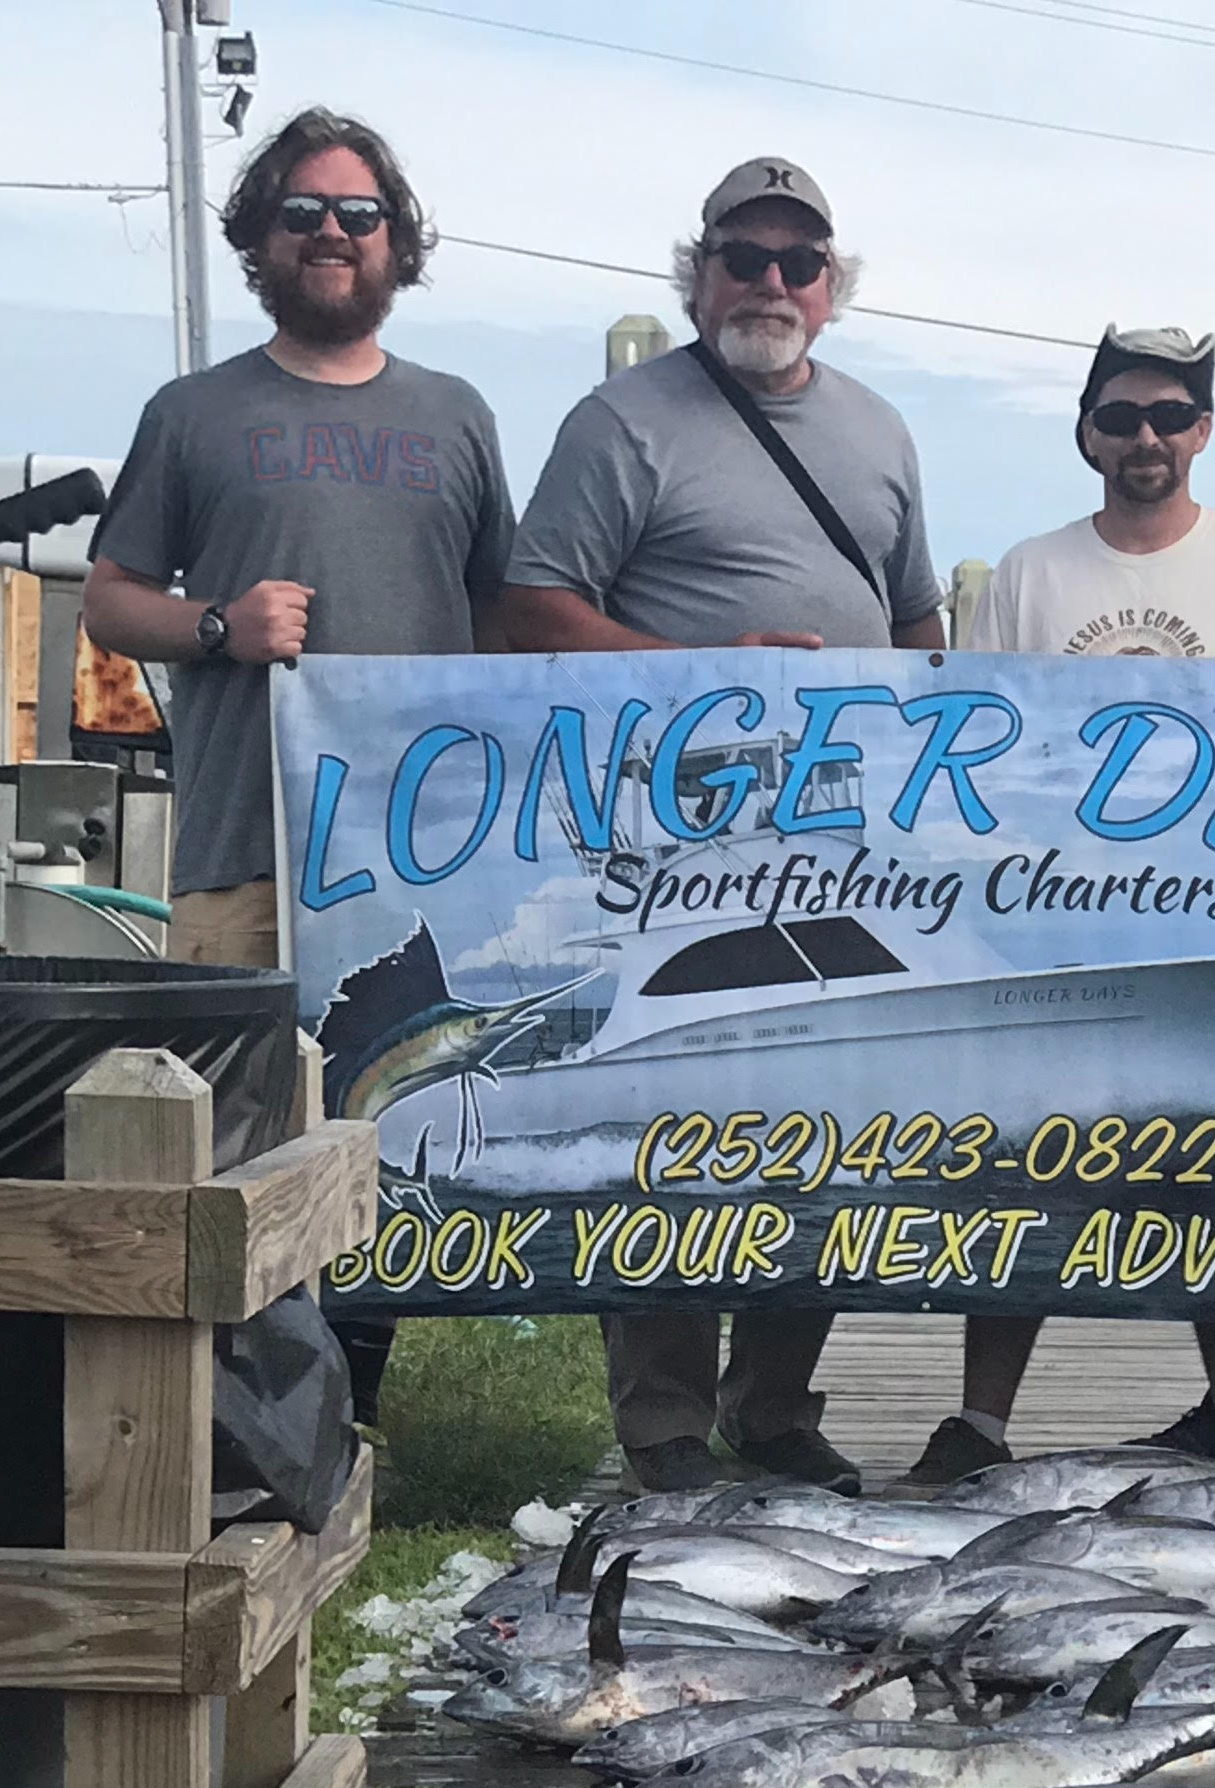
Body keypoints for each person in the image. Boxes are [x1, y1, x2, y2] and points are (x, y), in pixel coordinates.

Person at [505, 157, 944, 1497]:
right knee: (666, 1114)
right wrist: (700, 668)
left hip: (842, 844)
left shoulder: (880, 431)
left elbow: (920, 624)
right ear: (696, 275)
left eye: (796, 262)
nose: (770, 283)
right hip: (669, 850)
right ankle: (664, 1424)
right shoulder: (618, 422)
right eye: (743, 258)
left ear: (834, 287)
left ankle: (775, 1403)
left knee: (822, 1114)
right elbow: (532, 610)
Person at [81, 107, 511, 1431]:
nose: (333, 233)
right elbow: (108, 600)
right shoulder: (195, 413)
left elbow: (505, 620)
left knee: (389, 1135)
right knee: (234, 1142)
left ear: (401, 243)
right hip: (239, 848)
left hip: (414, 867)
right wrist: (219, 628)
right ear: (260, 241)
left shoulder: (457, 416)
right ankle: (224, 1414)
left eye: (359, 214)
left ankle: (347, 1405)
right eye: (304, 213)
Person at [908, 330, 1215, 1486]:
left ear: (1203, 431)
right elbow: (968, 748)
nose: (1144, 438)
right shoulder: (1029, 571)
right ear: (1087, 434)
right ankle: (980, 1422)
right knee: (1019, 1163)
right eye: (1120, 418)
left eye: (1168, 416)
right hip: (1049, 927)